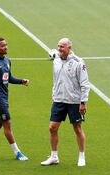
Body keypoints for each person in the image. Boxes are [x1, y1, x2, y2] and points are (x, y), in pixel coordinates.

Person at [41, 38, 90, 167]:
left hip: (74, 101)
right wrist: (53, 97)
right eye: (58, 46)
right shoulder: (56, 60)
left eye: (62, 46)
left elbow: (85, 84)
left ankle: (81, 156)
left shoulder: (78, 62)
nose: (59, 49)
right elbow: (55, 80)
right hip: (58, 99)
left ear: (69, 47)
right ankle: (54, 156)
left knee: (77, 128)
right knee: (52, 128)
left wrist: (83, 102)